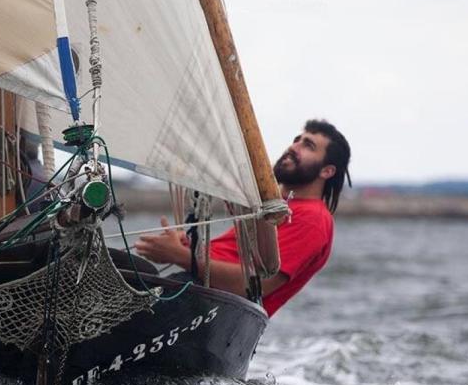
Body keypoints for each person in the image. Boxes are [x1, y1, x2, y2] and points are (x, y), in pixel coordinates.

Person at [134, 119, 351, 316]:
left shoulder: (312, 219)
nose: (294, 147)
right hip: (199, 298)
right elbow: (232, 257)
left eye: (308, 146)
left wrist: (181, 256)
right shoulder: (275, 209)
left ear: (327, 171)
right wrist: (186, 248)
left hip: (215, 311)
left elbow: (255, 285)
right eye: (297, 140)